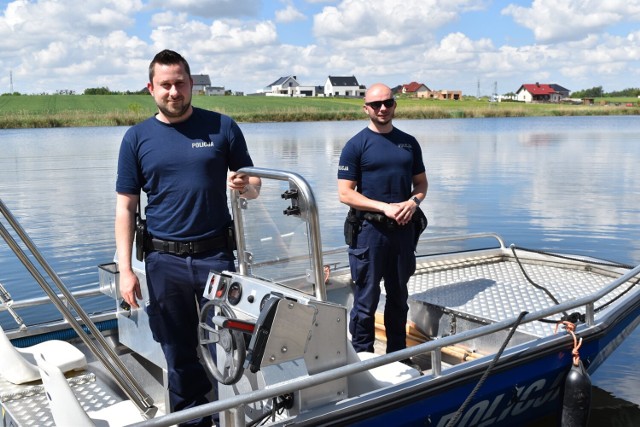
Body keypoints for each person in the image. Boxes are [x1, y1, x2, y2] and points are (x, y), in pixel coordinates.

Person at [115, 49, 260, 426]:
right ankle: (193, 422)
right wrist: (125, 268)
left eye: (180, 83)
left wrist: (245, 185)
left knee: (231, 346)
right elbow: (126, 207)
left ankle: (230, 414)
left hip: (216, 258)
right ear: (151, 89)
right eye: (165, 85)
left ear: (192, 84)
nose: (173, 92)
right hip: (165, 262)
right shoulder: (136, 139)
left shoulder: (222, 127)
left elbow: (254, 183)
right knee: (178, 352)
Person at [337, 83, 428, 356]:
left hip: (402, 232)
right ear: (366, 108)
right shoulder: (356, 145)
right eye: (376, 104)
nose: (383, 108)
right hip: (369, 232)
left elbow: (421, 184)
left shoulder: (408, 143)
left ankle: (398, 356)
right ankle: (362, 358)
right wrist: (384, 208)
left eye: (388, 102)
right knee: (366, 300)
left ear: (395, 105)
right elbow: (345, 193)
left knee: (399, 299)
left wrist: (413, 203)